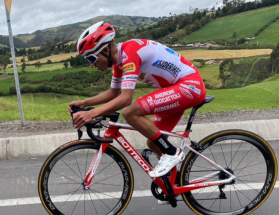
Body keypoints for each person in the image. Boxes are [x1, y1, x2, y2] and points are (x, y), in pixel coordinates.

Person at [69, 21, 206, 178]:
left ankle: (172, 152)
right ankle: (174, 186)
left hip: (190, 85)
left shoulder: (130, 52)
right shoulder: (119, 61)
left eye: (91, 58)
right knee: (154, 142)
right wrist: (84, 103)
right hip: (177, 89)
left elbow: (125, 99)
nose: (91, 64)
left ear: (105, 49)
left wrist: (91, 114)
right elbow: (113, 93)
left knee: (130, 112)